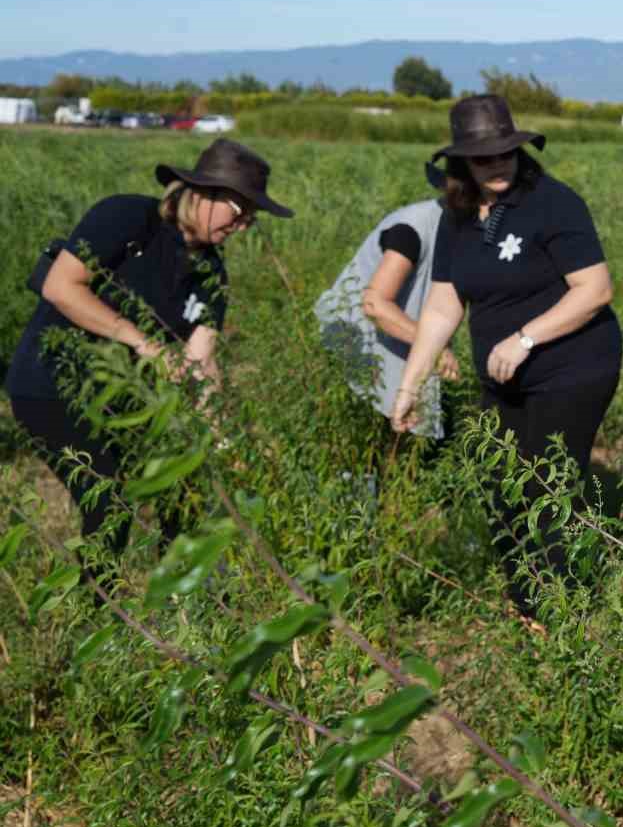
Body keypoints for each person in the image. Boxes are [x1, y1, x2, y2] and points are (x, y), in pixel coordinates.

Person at [7, 139, 292, 564]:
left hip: (120, 403)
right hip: (51, 387)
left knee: (186, 485)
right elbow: (61, 286)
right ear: (201, 193)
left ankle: (179, 600)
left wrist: (225, 443)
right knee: (108, 496)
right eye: (239, 211)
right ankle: (97, 607)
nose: (244, 226)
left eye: (251, 218)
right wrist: (145, 343)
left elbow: (201, 363)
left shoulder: (211, 273)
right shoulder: (126, 217)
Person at [394, 95, 622, 627]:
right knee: (501, 485)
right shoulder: (456, 219)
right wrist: (410, 386)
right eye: (483, 156)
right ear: (461, 164)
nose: (496, 164)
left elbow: (594, 289)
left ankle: (559, 613)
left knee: (547, 482)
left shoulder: (553, 203)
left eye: (505, 153)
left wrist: (525, 338)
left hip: (572, 367)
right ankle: (526, 604)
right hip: (502, 378)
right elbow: (443, 304)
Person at [315, 185, 460, 439]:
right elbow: (375, 305)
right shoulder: (411, 231)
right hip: (356, 340)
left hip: (401, 339)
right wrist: (434, 346)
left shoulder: (463, 231)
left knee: (405, 431)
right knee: (360, 437)